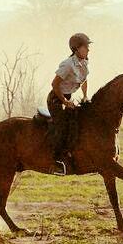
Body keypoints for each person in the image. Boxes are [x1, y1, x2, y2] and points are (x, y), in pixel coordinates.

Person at [46, 32, 90, 174]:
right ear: (76, 49)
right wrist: (64, 101)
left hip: (68, 98)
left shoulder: (84, 62)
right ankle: (56, 161)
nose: (88, 50)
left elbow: (84, 80)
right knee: (62, 126)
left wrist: (84, 96)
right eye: (85, 47)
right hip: (56, 99)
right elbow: (54, 84)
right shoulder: (68, 64)